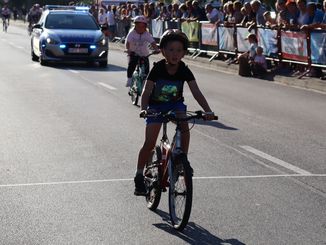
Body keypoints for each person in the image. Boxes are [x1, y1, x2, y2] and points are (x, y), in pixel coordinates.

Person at [134, 29, 216, 195]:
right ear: (163, 51)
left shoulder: (184, 70)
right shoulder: (157, 69)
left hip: (175, 105)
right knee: (149, 143)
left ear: (184, 53)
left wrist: (208, 111)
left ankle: (182, 159)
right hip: (156, 107)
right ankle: (138, 175)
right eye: (171, 50)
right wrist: (144, 109)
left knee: (184, 124)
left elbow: (196, 91)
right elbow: (147, 91)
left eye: (179, 50)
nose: (175, 54)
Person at [125, 15, 159, 87]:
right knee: (132, 64)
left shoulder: (147, 34)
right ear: (135, 26)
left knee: (146, 67)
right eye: (138, 26)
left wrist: (156, 49)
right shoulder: (132, 33)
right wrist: (128, 50)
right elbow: (128, 43)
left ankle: (144, 81)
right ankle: (129, 79)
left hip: (144, 53)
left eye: (142, 26)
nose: (140, 28)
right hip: (133, 51)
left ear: (145, 27)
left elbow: (152, 42)